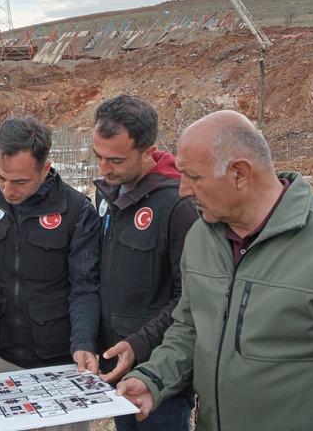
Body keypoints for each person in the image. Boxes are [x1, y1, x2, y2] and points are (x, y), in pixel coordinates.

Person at [117, 110, 313, 430]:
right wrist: (153, 378)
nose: (183, 190)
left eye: (194, 177)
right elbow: (189, 328)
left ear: (240, 174)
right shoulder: (201, 237)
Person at [0, 116, 100, 431]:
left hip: (59, 359)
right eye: (1, 177)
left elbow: (85, 287)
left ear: (45, 167)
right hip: (1, 354)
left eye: (20, 181)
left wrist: (83, 342)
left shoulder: (76, 211)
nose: (8, 189)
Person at [86, 95, 197, 431]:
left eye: (116, 160)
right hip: (117, 364)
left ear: (147, 151)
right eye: (99, 157)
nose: (104, 169)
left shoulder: (179, 206)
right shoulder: (108, 195)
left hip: (161, 375)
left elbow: (188, 298)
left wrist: (139, 343)